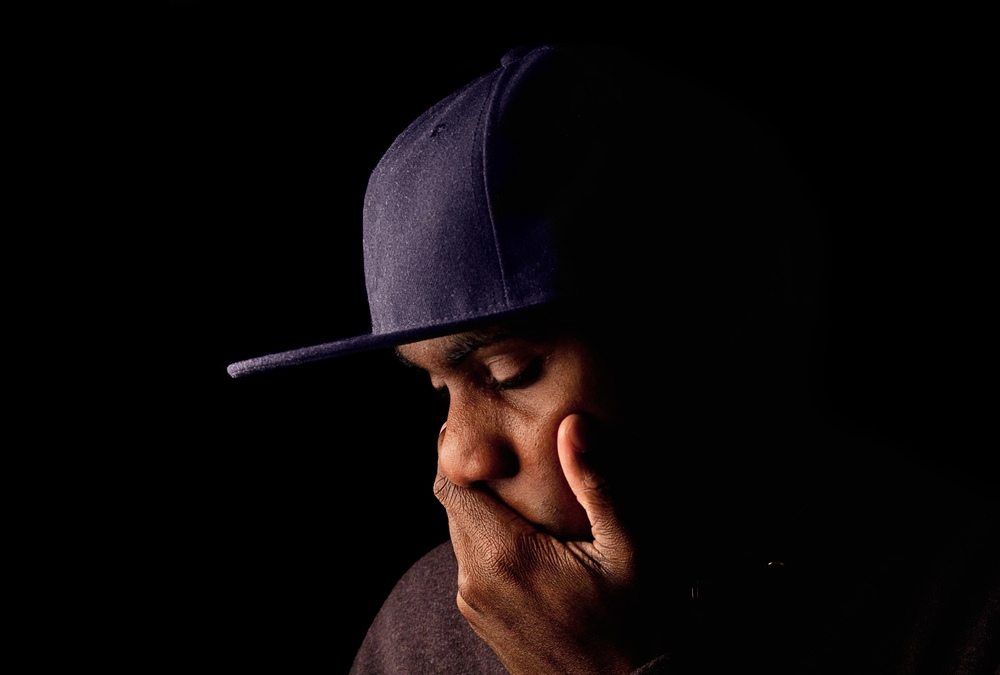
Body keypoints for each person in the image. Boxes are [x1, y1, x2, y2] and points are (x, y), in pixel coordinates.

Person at [227, 45, 999, 674]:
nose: (458, 457)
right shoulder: (429, 624)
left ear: (716, 326)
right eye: (439, 389)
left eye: (508, 374)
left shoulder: (967, 606)